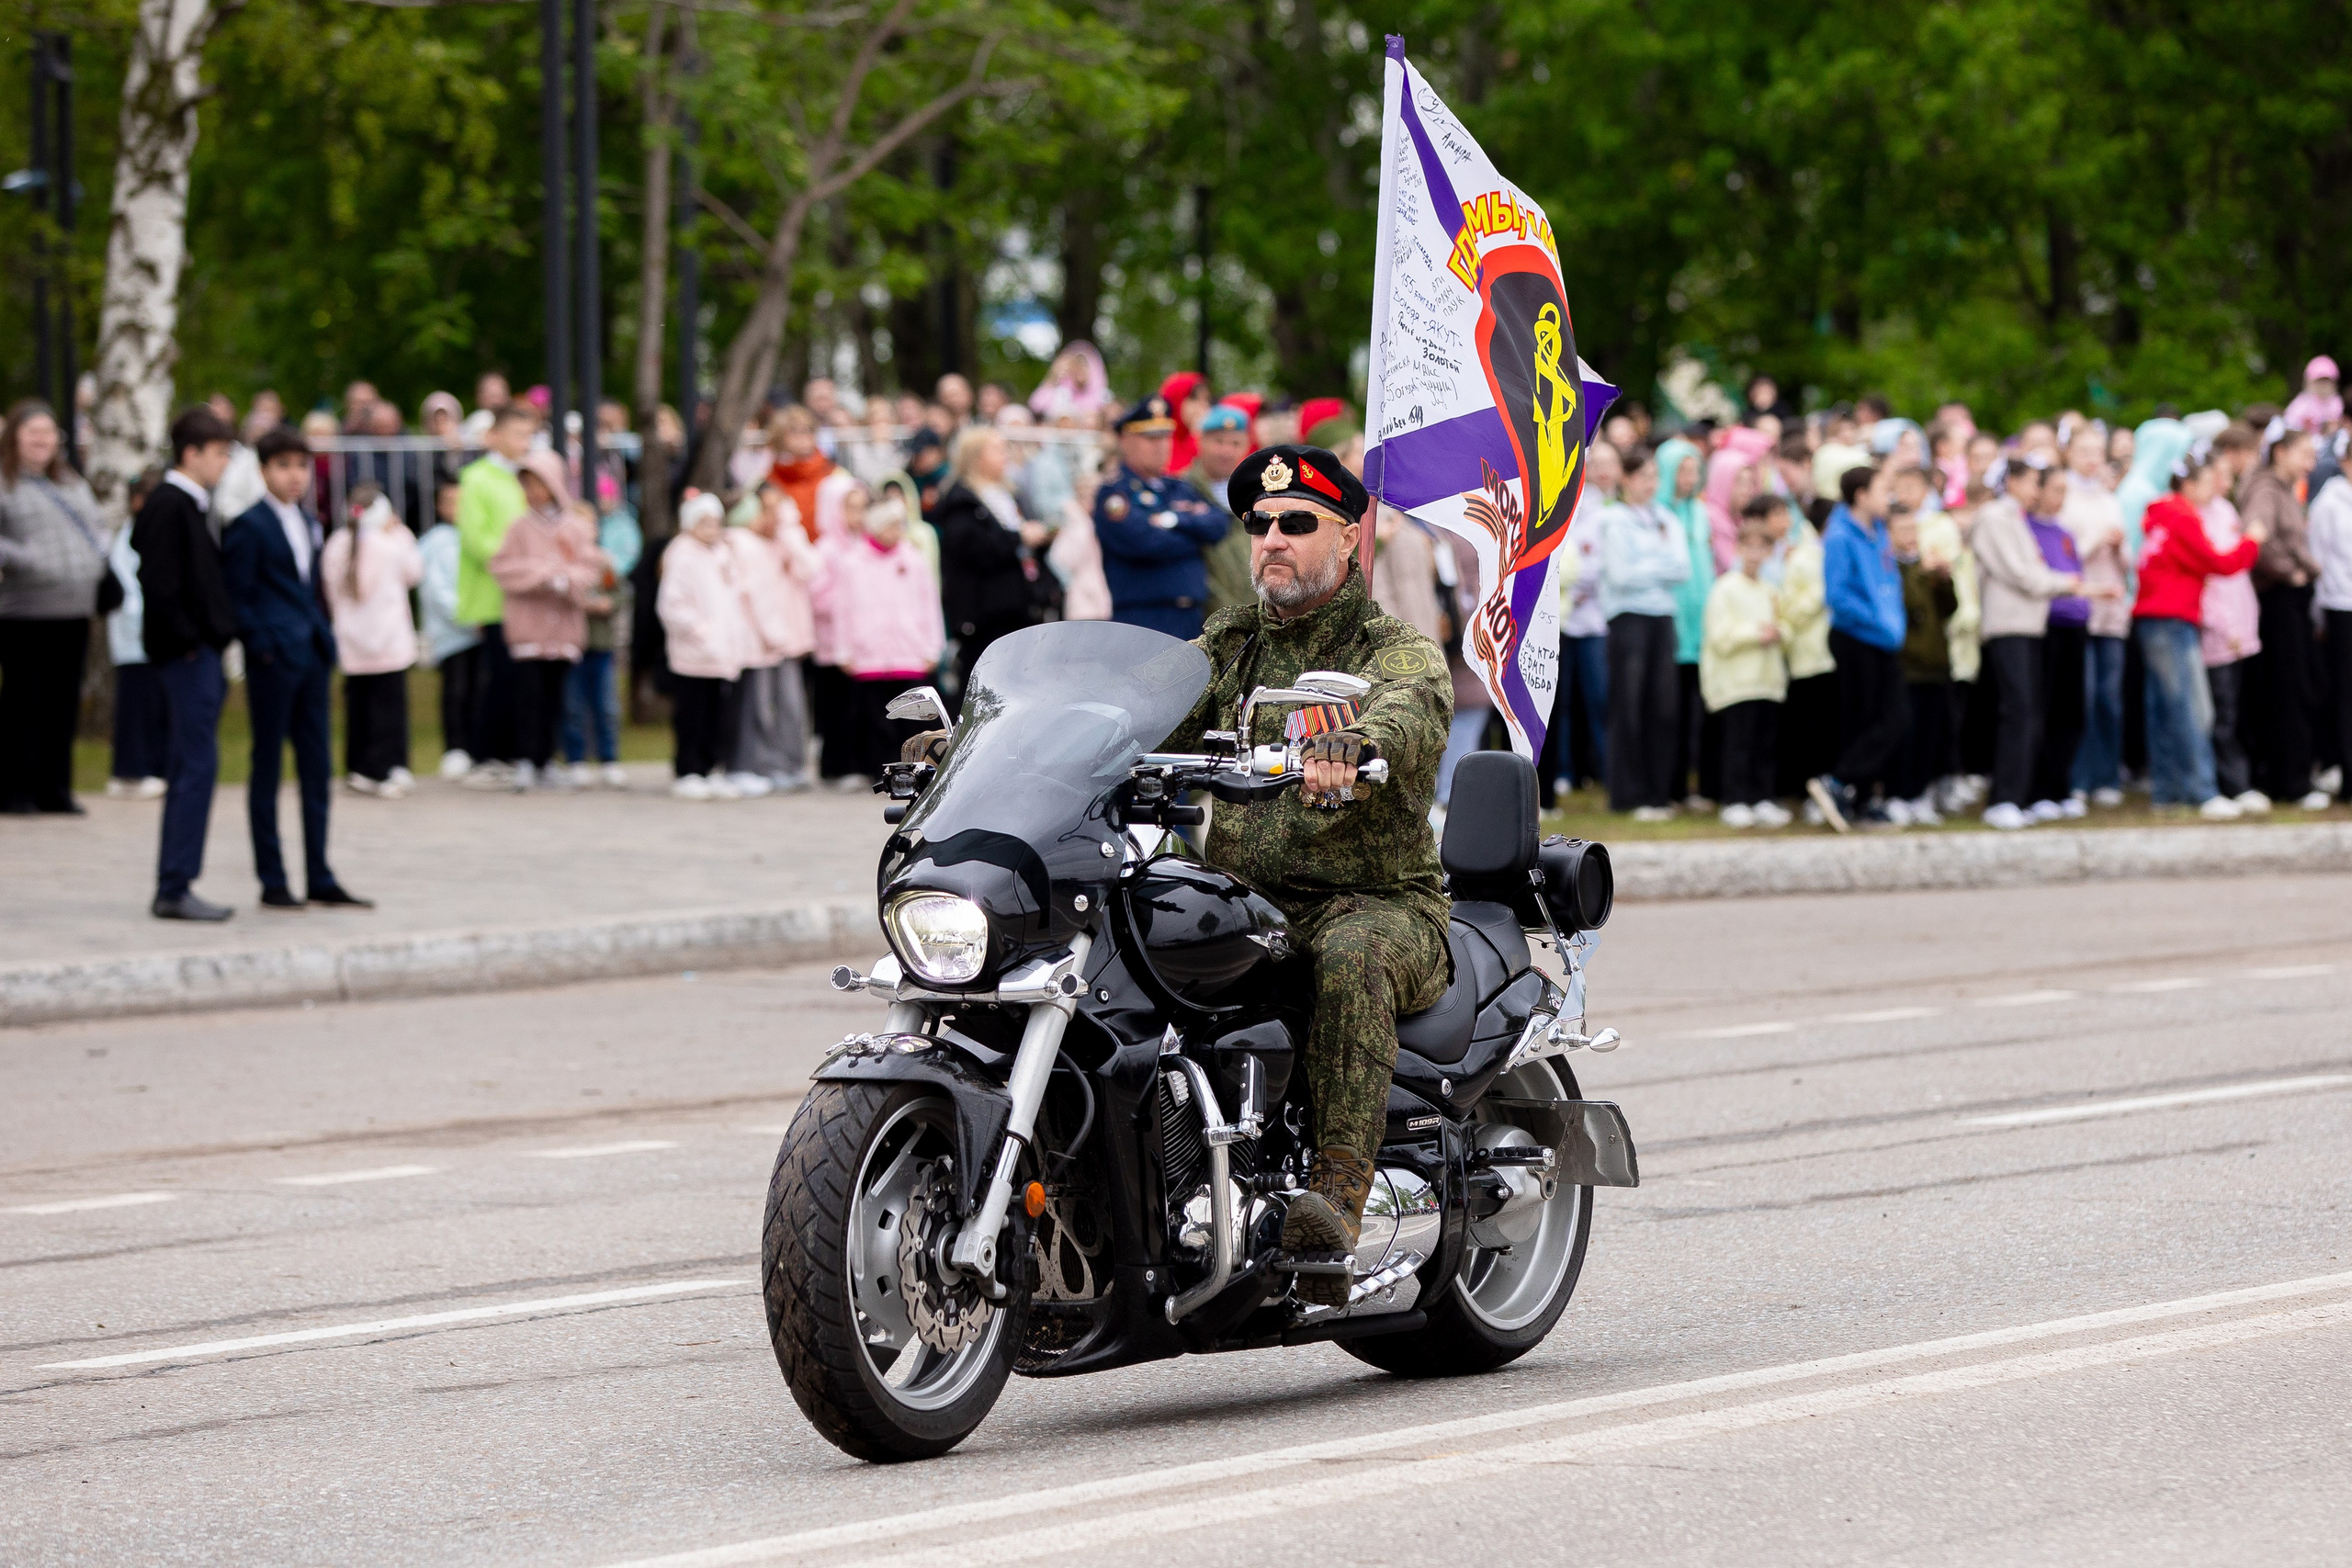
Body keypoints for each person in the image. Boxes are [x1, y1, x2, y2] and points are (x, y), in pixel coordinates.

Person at [1156, 443, 1452, 1306]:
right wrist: (1004, 743)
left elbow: (1413, 708)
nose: (1272, 539)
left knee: (1351, 955)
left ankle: (1337, 1196)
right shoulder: (1230, 646)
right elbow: (1140, 708)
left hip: (1379, 903)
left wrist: (1358, 740)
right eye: (1260, 524)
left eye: (1296, 522)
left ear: (1350, 538)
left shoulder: (1390, 647)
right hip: (1250, 904)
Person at [222, 425, 370, 909]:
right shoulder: (248, 526)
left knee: (317, 767)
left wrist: (323, 636)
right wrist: (263, 646)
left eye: (301, 466)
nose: (294, 476)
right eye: (283, 466)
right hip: (274, 660)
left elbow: (310, 588)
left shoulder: (308, 522)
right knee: (268, 766)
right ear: (263, 470)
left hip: (311, 656)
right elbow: (238, 598)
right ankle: (273, 880)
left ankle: (320, 875)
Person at [133, 409, 239, 918]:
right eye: (218, 453)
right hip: (186, 656)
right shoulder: (170, 505)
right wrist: (190, 643)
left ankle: (176, 881)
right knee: (195, 766)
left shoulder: (192, 505)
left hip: (200, 653)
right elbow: (161, 585)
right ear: (190, 453)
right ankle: (175, 885)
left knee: (191, 764)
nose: (224, 463)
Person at [2136, 448, 2266, 818]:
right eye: (2207, 482)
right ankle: (2202, 791)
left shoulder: (2162, 514)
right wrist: (2251, 541)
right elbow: (2218, 563)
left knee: (2164, 708)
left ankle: (2168, 792)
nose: (2213, 489)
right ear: (2189, 485)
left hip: (2154, 619)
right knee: (2192, 709)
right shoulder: (2183, 517)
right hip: (2172, 619)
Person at [0, 400, 110, 815]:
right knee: (23, 703)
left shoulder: (71, 482)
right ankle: (15, 789)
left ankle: (55, 788)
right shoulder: (5, 483)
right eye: (33, 432)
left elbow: (97, 525)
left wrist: (96, 556)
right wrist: (26, 558)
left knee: (62, 703)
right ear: (15, 437)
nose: (42, 440)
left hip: (75, 609)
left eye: (48, 432)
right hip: (25, 611)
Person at [1973, 457, 2084, 830]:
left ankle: (2020, 796)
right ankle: (2003, 798)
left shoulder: (2015, 519)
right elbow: (2021, 574)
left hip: (2028, 626)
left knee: (2030, 711)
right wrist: (2067, 584)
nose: (2037, 491)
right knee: (2018, 711)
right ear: (2013, 482)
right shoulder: (1994, 518)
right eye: (2034, 483)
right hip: (2008, 626)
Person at [488, 452, 604, 791]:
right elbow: (502, 568)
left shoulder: (575, 527)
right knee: (528, 697)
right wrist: (543, 575)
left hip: (564, 629)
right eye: (526, 485)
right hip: (528, 629)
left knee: (557, 699)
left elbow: (590, 567)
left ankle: (547, 759)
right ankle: (526, 758)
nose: (532, 492)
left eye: (538, 484)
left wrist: (567, 580)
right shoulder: (519, 527)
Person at [817, 483, 944, 779]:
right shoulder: (853, 563)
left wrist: (932, 646)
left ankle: (915, 770)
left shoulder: (913, 560)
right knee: (875, 719)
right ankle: (878, 770)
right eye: (890, 525)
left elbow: (929, 605)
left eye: (899, 524)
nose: (896, 531)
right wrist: (844, 650)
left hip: (908, 652)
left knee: (911, 720)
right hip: (869, 655)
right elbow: (843, 611)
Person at [1809, 465, 1907, 831]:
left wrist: (1891, 624)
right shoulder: (1839, 536)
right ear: (1861, 495)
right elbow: (1837, 595)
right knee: (1871, 720)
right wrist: (1878, 621)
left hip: (1883, 639)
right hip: (1856, 638)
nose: (1888, 497)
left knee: (1885, 720)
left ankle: (1862, 799)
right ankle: (1839, 783)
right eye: (1881, 490)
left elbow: (1888, 583)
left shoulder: (1878, 532)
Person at [1600, 447, 1690, 818]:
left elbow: (1682, 568)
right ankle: (1628, 794)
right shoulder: (1613, 519)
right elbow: (1620, 576)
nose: (1649, 484)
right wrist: (1659, 564)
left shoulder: (1666, 518)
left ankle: (1658, 793)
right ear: (1626, 479)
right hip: (1628, 619)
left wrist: (1644, 564)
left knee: (1663, 707)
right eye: (1642, 476)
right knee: (1629, 705)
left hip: (1662, 617)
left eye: (1654, 476)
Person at [1093, 394, 1227, 638]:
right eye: (1150, 438)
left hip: (1191, 615)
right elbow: (1145, 542)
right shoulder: (1115, 493)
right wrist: (1195, 535)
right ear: (1126, 441)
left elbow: (1218, 525)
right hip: (1143, 617)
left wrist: (1172, 521)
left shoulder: (1177, 487)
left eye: (1165, 437)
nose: (1161, 445)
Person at [933, 426, 1050, 705]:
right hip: (984, 612)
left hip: (1017, 606)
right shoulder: (961, 500)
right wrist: (1019, 537)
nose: (1004, 455)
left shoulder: (1009, 494)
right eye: (996, 449)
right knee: (984, 690)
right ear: (975, 457)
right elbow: (974, 549)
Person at [320, 484, 424, 798]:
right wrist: (401, 533)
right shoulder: (390, 543)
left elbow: (329, 589)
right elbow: (414, 572)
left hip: (352, 641)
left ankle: (359, 767)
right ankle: (390, 767)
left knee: (359, 707)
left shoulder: (337, 543)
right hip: (388, 641)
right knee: (389, 708)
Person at [2243, 427, 2327, 808]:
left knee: (2301, 685)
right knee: (2287, 690)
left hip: (2291, 600)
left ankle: (2293, 774)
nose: (2311, 462)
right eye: (2303, 453)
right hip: (2277, 601)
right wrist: (2290, 572)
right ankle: (2290, 782)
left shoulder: (2285, 489)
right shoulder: (2265, 489)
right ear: (2280, 452)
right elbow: (2256, 539)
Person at [455, 404, 538, 782]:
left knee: (522, 679)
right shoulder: (476, 478)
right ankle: (485, 754)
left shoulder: (525, 478)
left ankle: (514, 753)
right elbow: (477, 538)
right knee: (499, 676)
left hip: (526, 596)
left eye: (529, 435)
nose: (525, 442)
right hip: (494, 597)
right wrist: (519, 566)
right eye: (519, 434)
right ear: (496, 436)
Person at [728, 482, 818, 795]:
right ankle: (759, 766)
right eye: (766, 509)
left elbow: (810, 567)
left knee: (790, 708)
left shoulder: (783, 542)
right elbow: (756, 595)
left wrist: (789, 530)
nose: (771, 517)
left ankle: (788, 764)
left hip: (786, 639)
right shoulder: (746, 544)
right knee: (761, 708)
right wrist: (773, 633)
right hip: (761, 641)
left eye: (777, 510)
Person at [660, 492, 752, 799]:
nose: (712, 529)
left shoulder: (723, 553)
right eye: (704, 522)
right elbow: (672, 604)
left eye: (716, 522)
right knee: (693, 715)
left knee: (719, 716)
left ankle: (712, 768)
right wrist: (701, 632)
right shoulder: (681, 554)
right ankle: (688, 769)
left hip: (723, 653)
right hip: (694, 653)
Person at [1702, 516, 1790, 828]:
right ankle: (1735, 799)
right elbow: (1720, 636)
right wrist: (1757, 633)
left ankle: (1762, 797)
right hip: (1737, 684)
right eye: (1748, 546)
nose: (1754, 554)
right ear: (1738, 549)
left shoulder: (1771, 590)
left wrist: (1779, 632)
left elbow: (1787, 626)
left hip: (1768, 682)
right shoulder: (1725, 588)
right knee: (1738, 744)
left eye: (1761, 547)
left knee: (1765, 744)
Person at [2060, 423, 2131, 807]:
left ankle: (2107, 776)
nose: (2091, 459)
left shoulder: (2108, 498)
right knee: (2082, 696)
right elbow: (2064, 556)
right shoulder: (2065, 498)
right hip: (2079, 607)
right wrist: (2095, 541)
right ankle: (2078, 777)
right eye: (2084, 451)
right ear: (2069, 453)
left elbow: (2127, 560)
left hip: (2111, 609)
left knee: (2109, 698)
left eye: (2097, 452)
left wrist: (2118, 547)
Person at [1546, 440, 1620, 802]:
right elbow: (1565, 554)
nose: (1603, 471)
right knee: (1561, 701)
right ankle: (1563, 770)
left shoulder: (1613, 509)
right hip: (1561, 617)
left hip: (1596, 618)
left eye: (1610, 463)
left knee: (1600, 696)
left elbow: (1605, 563)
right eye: (1597, 463)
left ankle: (1605, 769)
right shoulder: (1567, 501)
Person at [561, 473, 643, 789]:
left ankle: (609, 759)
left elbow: (620, 593)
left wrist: (609, 603)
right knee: (573, 706)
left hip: (601, 643)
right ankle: (576, 759)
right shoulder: (565, 563)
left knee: (606, 705)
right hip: (572, 645)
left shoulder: (604, 563)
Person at [2199, 436, 2267, 810]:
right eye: (2220, 475)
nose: (2227, 482)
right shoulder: (2198, 517)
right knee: (2221, 711)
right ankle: (2231, 783)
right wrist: (2225, 627)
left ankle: (2244, 777)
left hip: (2241, 626)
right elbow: (2210, 580)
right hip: (2219, 632)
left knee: (2240, 708)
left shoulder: (2225, 510)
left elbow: (2238, 574)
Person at [2025, 467, 2091, 819]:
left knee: (2071, 710)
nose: (2060, 497)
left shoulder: (2065, 533)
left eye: (2066, 490)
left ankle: (2062, 785)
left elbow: (2077, 574)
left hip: (2074, 625)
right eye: (2055, 489)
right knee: (2045, 708)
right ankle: (2040, 790)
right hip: (2046, 625)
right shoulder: (2025, 529)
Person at [1655, 438, 1715, 807]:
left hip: (1701, 625)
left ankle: (1692, 785)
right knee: (1670, 710)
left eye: (1695, 471)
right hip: (1672, 623)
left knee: (1697, 709)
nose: (1690, 479)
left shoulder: (1700, 512)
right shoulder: (1658, 514)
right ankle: (1671, 786)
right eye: (1683, 471)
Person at [1889, 506, 1958, 824]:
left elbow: (1949, 608)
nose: (1910, 536)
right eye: (1902, 530)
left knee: (1931, 734)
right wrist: (1921, 572)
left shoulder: (1922, 567)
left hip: (1934, 665)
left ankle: (1920, 794)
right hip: (1906, 666)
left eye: (1913, 529)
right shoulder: (1891, 567)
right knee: (1906, 734)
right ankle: (1898, 795)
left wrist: (1944, 580)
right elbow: (1905, 604)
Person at [104, 468, 170, 798]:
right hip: (135, 639)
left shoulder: (152, 532)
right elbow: (128, 589)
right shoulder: (128, 537)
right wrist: (146, 621)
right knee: (136, 708)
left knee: (154, 707)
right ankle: (131, 771)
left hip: (152, 638)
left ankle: (153, 767)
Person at [417, 479, 480, 778]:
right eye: (450, 502)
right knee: (456, 690)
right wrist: (466, 616)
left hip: (481, 629)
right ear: (440, 506)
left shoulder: (477, 536)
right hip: (451, 632)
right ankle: (455, 748)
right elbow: (434, 588)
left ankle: (478, 747)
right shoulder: (434, 542)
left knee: (480, 690)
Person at [1186, 405, 1258, 615]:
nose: (1227, 451)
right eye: (1219, 442)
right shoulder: (1182, 490)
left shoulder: (1256, 494)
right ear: (1201, 441)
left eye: (1235, 443)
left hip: (1255, 613)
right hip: (1206, 616)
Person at [2311, 456, 2352, 797]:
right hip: (2341, 605)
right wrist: (2318, 615)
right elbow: (2318, 558)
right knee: (2345, 692)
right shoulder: (2329, 503)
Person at [2285, 355, 2343, 435]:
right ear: (2309, 382)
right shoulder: (2302, 402)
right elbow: (2289, 423)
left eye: (2326, 381)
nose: (2323, 385)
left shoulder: (2336, 402)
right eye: (2319, 381)